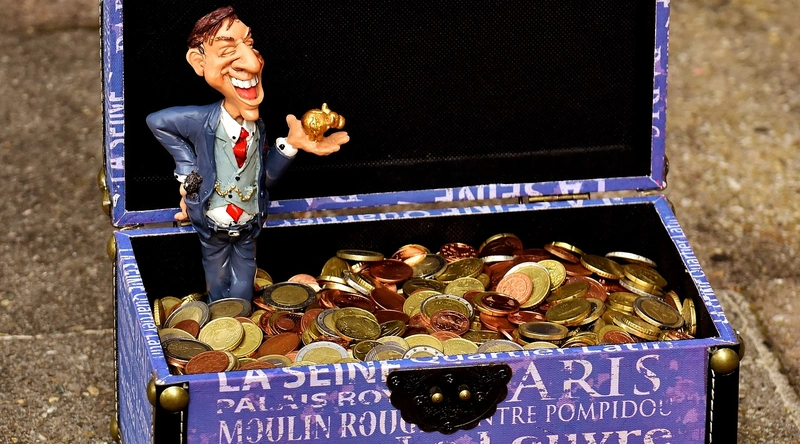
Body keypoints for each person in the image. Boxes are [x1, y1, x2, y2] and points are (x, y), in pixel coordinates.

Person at [147, 6, 348, 303]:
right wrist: (189, 176)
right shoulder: (200, 121)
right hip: (212, 223)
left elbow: (264, 178)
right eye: (228, 50)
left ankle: (241, 319)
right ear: (199, 62)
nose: (253, 63)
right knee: (216, 276)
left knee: (245, 276)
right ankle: (220, 318)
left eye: (250, 44)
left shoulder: (259, 128)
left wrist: (290, 145)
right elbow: (157, 123)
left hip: (250, 224)